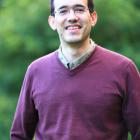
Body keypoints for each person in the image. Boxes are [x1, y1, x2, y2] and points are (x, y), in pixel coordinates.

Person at [10, 0, 140, 139]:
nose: (72, 17)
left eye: (79, 9)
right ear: (52, 22)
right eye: (63, 11)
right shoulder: (36, 71)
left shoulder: (123, 69)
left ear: (93, 17)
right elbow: (19, 136)